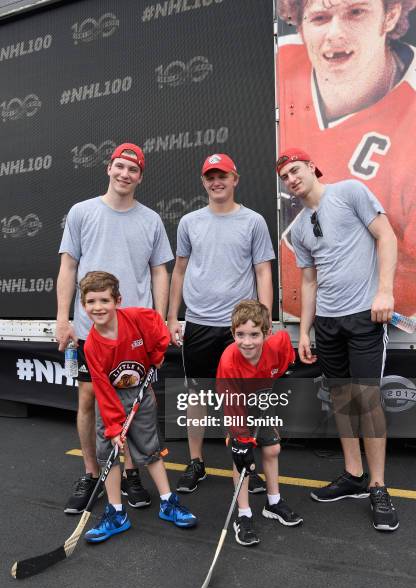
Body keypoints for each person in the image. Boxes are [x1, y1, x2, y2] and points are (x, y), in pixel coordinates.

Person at [277, 148, 399, 531]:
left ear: (313, 167)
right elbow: (309, 281)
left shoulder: (349, 192)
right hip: (327, 324)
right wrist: (307, 330)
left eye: (296, 170)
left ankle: (378, 486)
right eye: (285, 177)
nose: (292, 179)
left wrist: (384, 292)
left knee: (367, 400)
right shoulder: (298, 228)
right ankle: (353, 475)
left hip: (364, 315)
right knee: (343, 400)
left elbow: (386, 236)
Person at [276, 0, 416, 319]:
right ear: (299, 25)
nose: (335, 33)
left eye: (355, 12)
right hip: (320, 316)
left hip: (367, 314)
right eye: (320, 17)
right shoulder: (279, 62)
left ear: (390, 14)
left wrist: (384, 293)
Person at [56, 143, 173, 514]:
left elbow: (160, 271)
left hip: (134, 336)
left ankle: (132, 475)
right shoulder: (82, 212)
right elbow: (68, 267)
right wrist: (64, 319)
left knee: (133, 407)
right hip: (91, 332)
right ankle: (92, 473)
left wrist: (162, 320)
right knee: (89, 401)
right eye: (120, 166)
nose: (125, 174)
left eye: (133, 170)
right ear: (109, 168)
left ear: (140, 176)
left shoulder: (151, 220)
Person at [167, 153, 275, 494]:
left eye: (222, 176)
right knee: (196, 396)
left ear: (235, 178)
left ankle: (245, 466)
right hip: (198, 323)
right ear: (204, 182)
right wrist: (172, 316)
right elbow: (179, 270)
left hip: (239, 329)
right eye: (210, 177)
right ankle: (196, 462)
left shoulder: (254, 221)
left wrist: (264, 323)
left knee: (243, 399)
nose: (217, 182)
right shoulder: (189, 222)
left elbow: (263, 272)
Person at [79, 271, 197, 542]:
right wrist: (113, 426)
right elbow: (102, 387)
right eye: (91, 301)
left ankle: (168, 502)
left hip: (140, 394)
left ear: (117, 300)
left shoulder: (136, 318)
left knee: (149, 448)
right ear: (84, 305)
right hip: (112, 398)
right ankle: (116, 513)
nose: (98, 307)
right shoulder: (93, 346)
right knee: (108, 452)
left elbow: (158, 328)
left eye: (104, 300)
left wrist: (156, 356)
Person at [216, 300, 303, 546]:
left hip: (263, 398)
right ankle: (243, 514)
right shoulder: (229, 362)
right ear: (233, 333)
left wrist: (280, 372)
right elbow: (232, 406)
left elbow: (286, 350)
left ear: (266, 333)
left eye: (254, 334)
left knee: (273, 448)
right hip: (237, 406)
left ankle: (273, 502)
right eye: (240, 334)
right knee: (241, 458)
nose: (247, 342)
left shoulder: (278, 344)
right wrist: (241, 441)